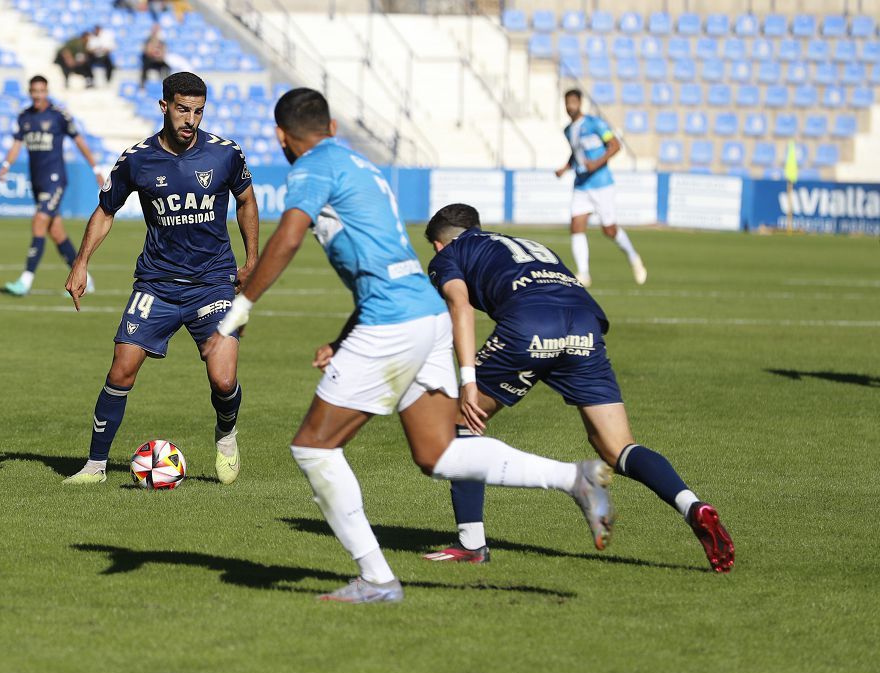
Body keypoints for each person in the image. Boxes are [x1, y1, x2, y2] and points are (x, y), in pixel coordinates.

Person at [202, 88, 614, 604]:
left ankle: (376, 579)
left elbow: (287, 237)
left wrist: (236, 314)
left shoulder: (310, 167)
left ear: (282, 137)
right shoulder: (364, 168)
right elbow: (384, 264)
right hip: (425, 316)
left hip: (392, 325)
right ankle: (573, 477)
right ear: (333, 127)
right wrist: (344, 337)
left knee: (313, 446)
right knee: (437, 453)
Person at [422, 203, 734, 573]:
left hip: (530, 325)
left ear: (439, 245)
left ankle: (471, 544)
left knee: (460, 424)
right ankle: (692, 506)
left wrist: (468, 379)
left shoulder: (450, 254)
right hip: (585, 324)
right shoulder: (525, 245)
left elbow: (460, 305)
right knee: (616, 447)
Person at [63, 72, 259, 487]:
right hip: (157, 284)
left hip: (214, 282)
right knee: (121, 370)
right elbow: (105, 210)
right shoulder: (137, 159)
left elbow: (245, 199)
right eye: (184, 109)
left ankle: (226, 435)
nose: (191, 119)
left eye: (199, 111)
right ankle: (95, 467)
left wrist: (253, 258)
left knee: (223, 379)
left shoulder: (225, 154)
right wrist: (81, 262)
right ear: (164, 106)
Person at [0, 75, 103, 297]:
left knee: (38, 222)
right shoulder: (24, 117)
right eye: (34, 91)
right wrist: (6, 165)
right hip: (37, 180)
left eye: (41, 91)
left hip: (55, 179)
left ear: (46, 91)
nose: (38, 95)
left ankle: (25, 281)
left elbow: (79, 141)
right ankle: (87, 280)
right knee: (56, 233)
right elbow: (17, 144)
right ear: (30, 92)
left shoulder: (59, 116)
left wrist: (95, 168)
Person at [555, 89, 646, 289]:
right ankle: (584, 273)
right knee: (576, 226)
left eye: (573, 102)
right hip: (581, 184)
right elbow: (576, 154)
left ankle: (633, 256)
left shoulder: (595, 124)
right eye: (567, 102)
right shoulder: (568, 130)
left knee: (609, 229)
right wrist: (565, 167)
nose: (570, 106)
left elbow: (615, 145)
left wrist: (596, 163)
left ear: (580, 103)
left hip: (601, 184)